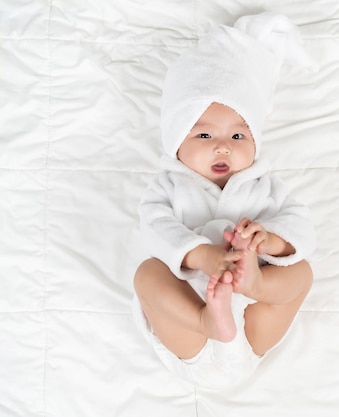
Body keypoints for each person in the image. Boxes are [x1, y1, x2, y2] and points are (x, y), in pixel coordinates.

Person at [131, 13, 316, 390]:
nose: (221, 146)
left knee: (303, 272)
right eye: (202, 135)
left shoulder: (265, 185)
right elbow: (155, 229)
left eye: (236, 135)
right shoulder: (168, 187)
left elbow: (301, 224)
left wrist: (271, 241)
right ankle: (208, 319)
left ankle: (257, 284)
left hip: (252, 329)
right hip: (190, 332)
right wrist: (200, 255)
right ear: (175, 143)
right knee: (147, 274)